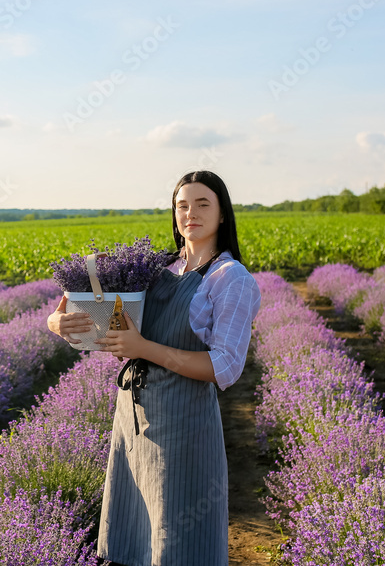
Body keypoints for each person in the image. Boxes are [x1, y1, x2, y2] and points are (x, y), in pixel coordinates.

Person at [47, 170, 262, 566]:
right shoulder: (156, 268)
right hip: (133, 420)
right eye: (182, 205)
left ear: (222, 214)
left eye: (202, 204)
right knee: (133, 542)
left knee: (178, 545)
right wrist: (59, 322)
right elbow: (93, 305)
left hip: (184, 427)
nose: (190, 213)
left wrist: (142, 347)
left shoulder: (231, 279)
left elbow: (225, 365)